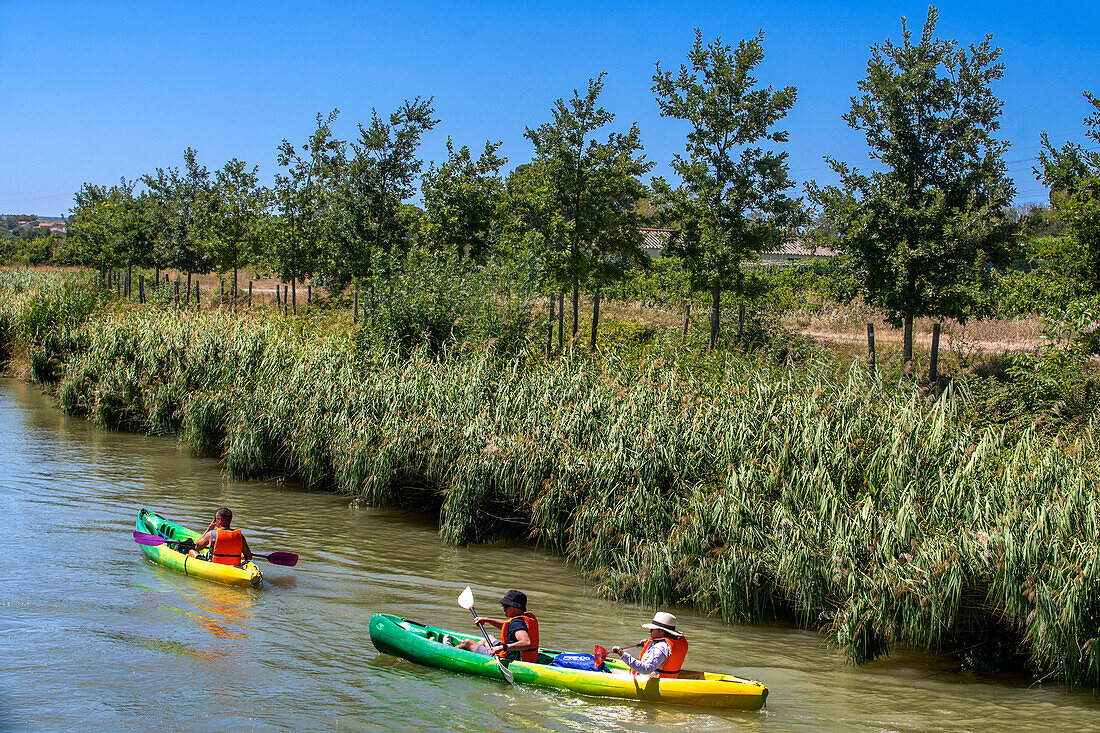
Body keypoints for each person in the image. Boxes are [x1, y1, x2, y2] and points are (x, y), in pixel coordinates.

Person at [456, 590, 540, 662]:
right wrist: (486, 620)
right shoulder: (524, 618)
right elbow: (509, 627)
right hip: (527, 657)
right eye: (503, 605)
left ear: (517, 607)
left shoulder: (517, 623)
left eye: (506, 606)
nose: (503, 608)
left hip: (510, 658)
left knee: (467, 642)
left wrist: (501, 647)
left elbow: (526, 643)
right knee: (488, 638)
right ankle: (473, 653)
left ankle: (451, 649)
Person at [612, 611, 688, 678]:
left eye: (652, 629)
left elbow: (646, 669)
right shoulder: (667, 643)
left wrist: (622, 654)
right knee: (615, 670)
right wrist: (648, 645)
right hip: (665, 678)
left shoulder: (660, 648)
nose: (650, 632)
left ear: (661, 631)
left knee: (613, 671)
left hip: (650, 679)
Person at [187, 507, 252, 566]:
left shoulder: (211, 534)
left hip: (215, 566)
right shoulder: (239, 536)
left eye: (215, 519)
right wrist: (239, 555)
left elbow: (197, 547)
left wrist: (209, 529)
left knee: (191, 551)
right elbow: (248, 556)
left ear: (219, 520)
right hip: (234, 567)